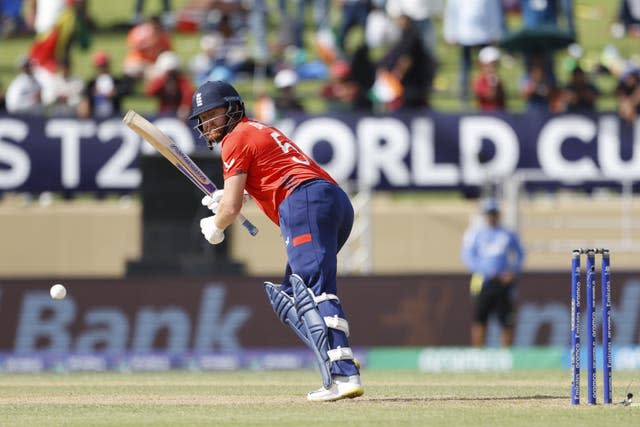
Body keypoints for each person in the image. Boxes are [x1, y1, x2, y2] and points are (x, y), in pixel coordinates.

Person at [191, 80, 363, 402]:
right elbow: (257, 183)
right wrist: (226, 198)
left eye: (213, 114)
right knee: (292, 296)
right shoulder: (257, 130)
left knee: (312, 289)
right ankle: (335, 355)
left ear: (232, 109)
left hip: (304, 201)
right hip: (333, 201)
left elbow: (232, 208)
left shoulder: (235, 138)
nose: (208, 123)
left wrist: (216, 225)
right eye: (203, 117)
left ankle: (343, 374)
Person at [461, 198, 525, 347]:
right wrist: (483, 271)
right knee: (480, 318)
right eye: (489, 214)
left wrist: (513, 272)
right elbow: (467, 256)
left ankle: (506, 355)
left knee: (506, 320)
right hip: (483, 280)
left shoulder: (507, 233)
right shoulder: (475, 234)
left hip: (503, 281)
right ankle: (478, 354)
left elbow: (520, 253)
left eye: (494, 213)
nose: (491, 217)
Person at [472, 46, 506, 112]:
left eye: (495, 65)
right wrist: (492, 85)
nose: (492, 68)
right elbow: (489, 96)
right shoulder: (479, 81)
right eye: (490, 65)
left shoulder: (498, 80)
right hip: (486, 117)